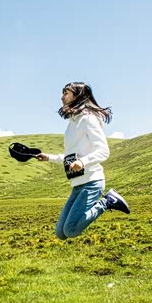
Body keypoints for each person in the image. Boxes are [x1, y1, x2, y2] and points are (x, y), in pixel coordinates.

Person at [36, 82, 130, 240]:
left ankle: (108, 201)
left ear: (77, 95)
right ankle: (107, 201)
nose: (62, 97)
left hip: (92, 181)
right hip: (78, 184)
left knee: (71, 230)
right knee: (61, 233)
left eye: (66, 93)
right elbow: (71, 157)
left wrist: (83, 162)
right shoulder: (72, 123)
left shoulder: (88, 119)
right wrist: (48, 157)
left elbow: (103, 151)